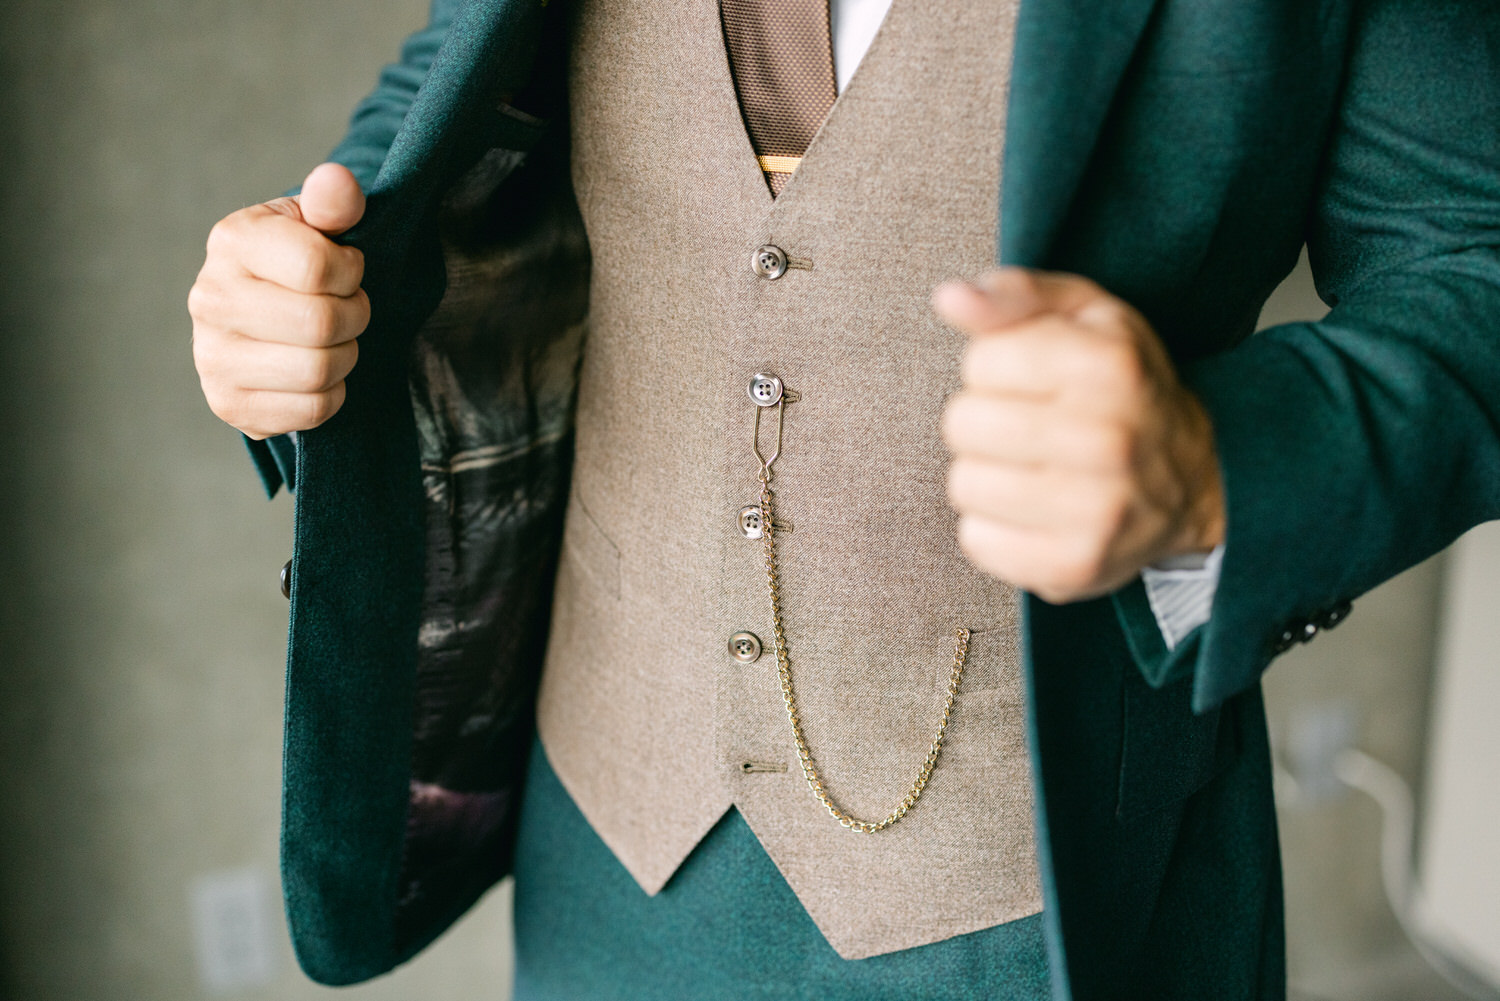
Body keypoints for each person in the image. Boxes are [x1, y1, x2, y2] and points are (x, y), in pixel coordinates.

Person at [187, 0, 1500, 998]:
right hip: (604, 849)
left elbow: (1471, 263)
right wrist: (313, 281)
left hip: (1046, 890)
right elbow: (456, 77)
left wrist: (1216, 461)